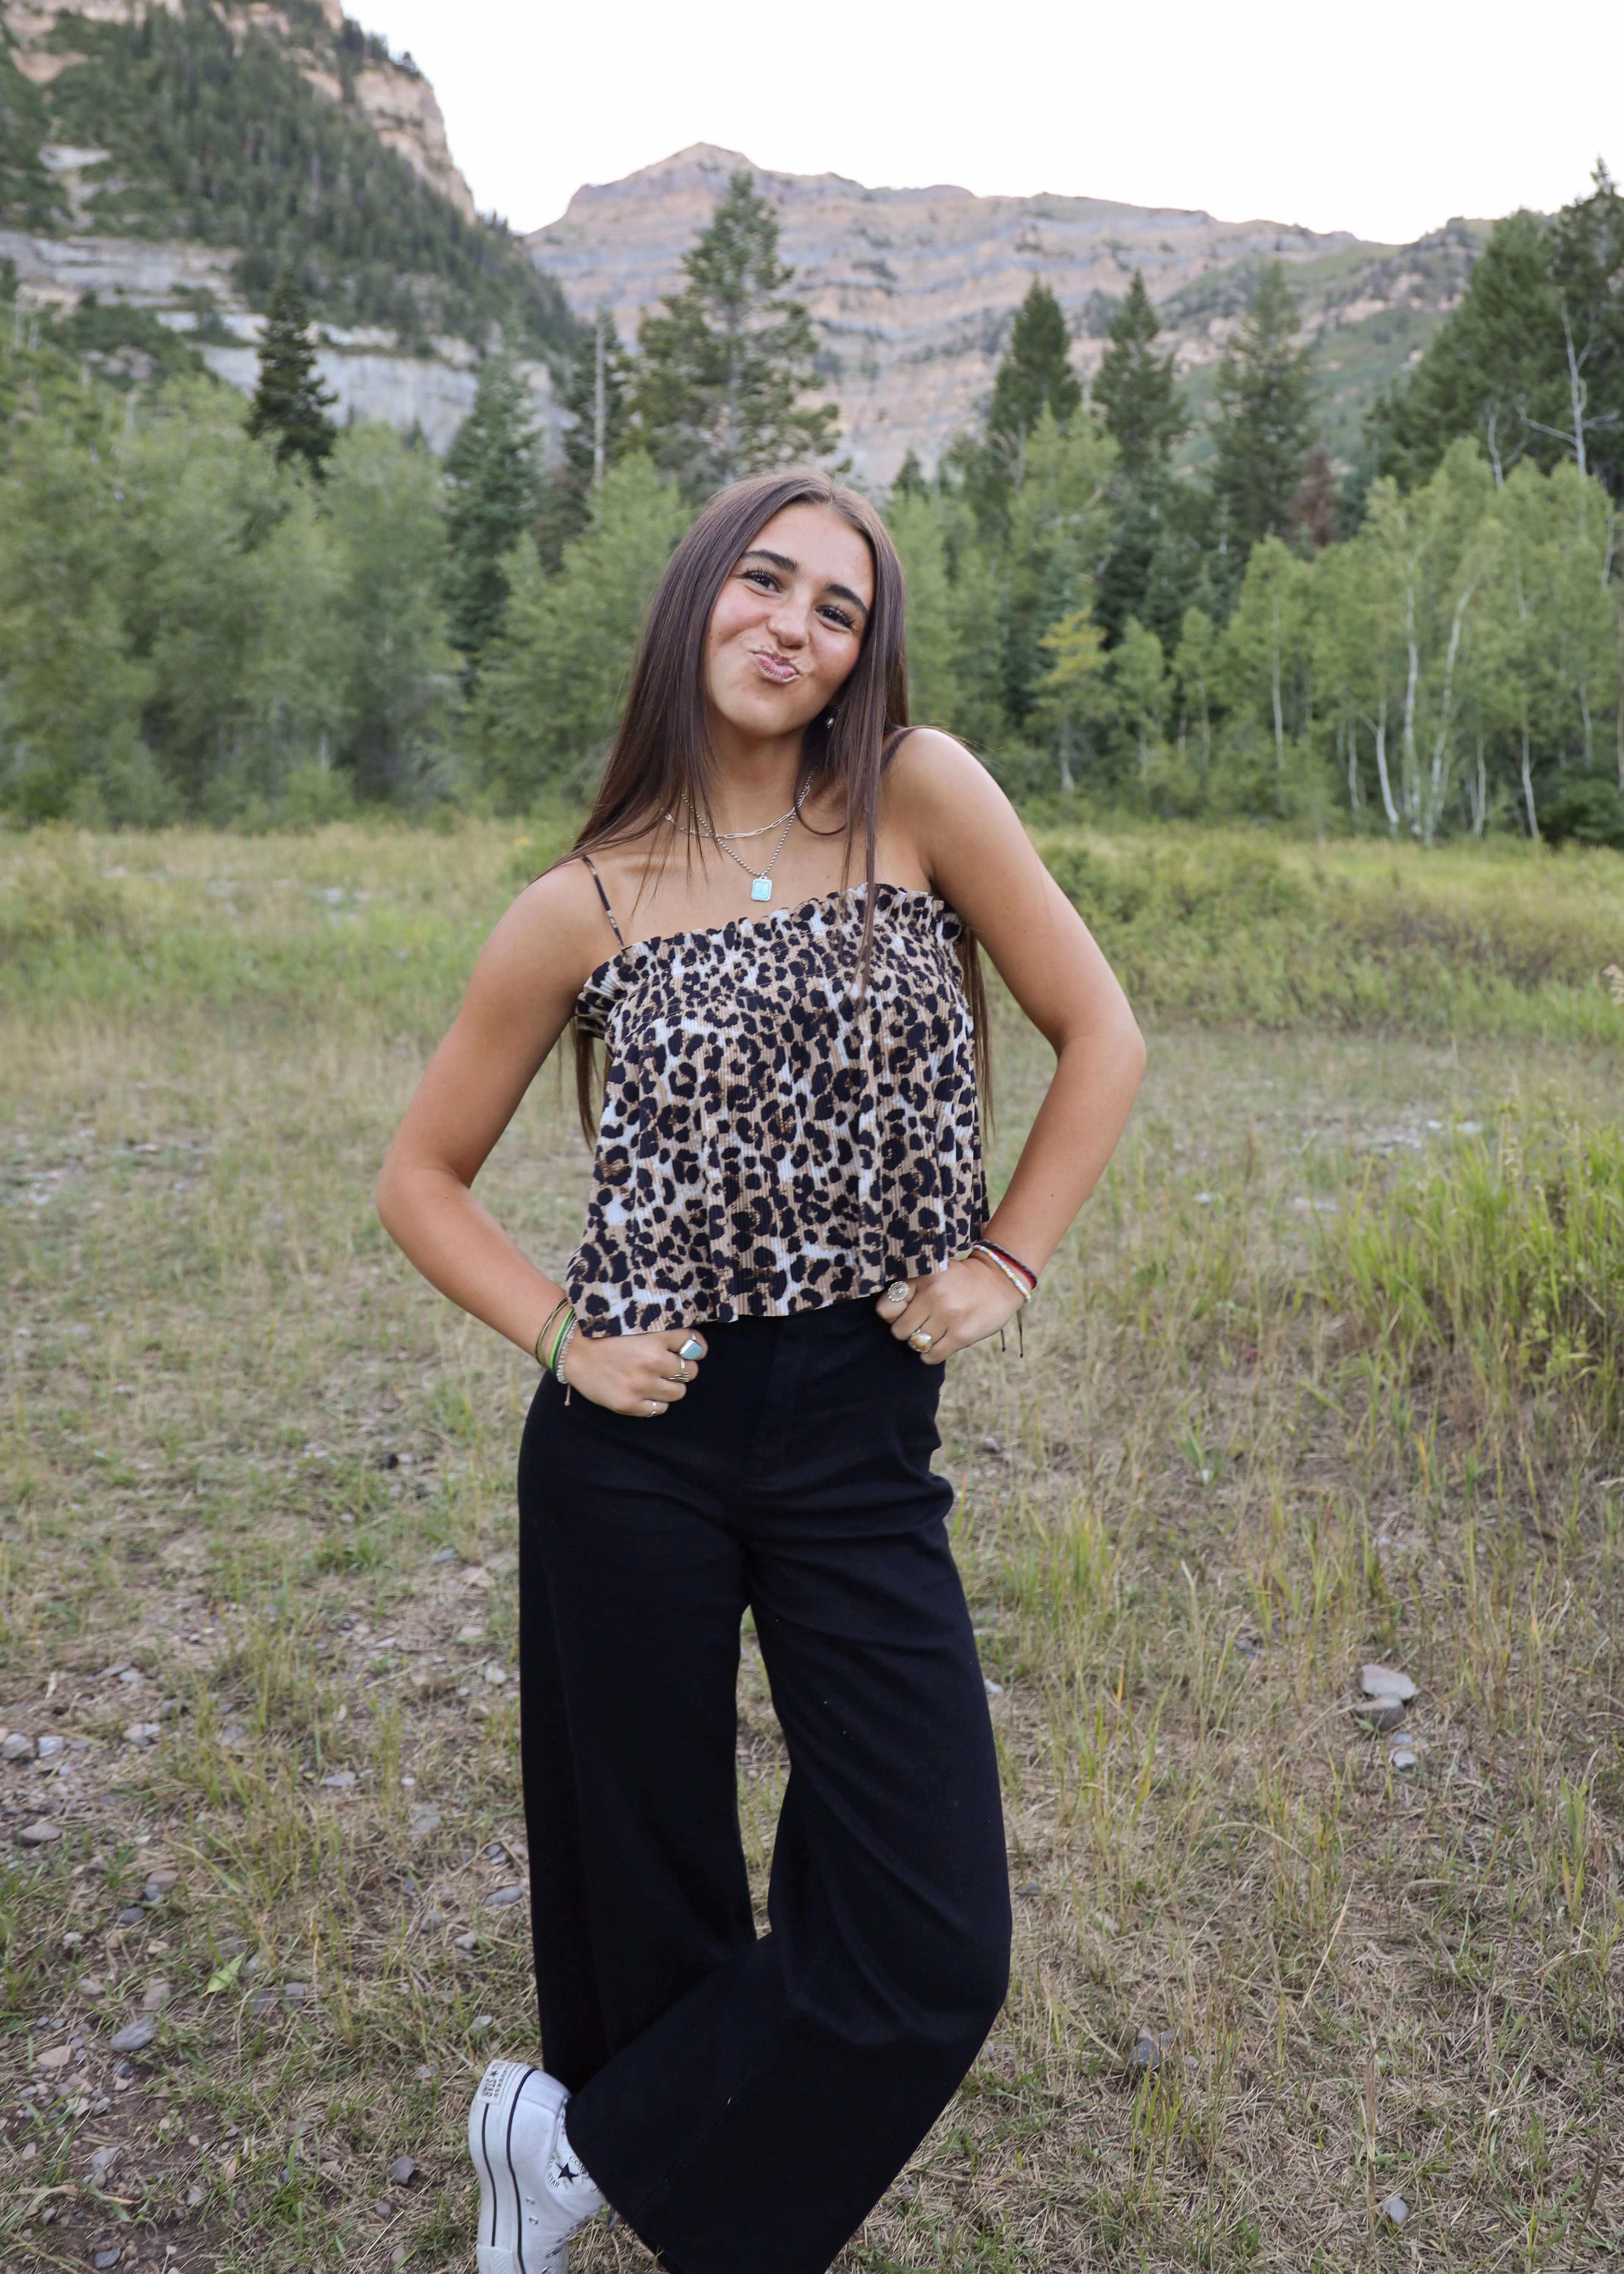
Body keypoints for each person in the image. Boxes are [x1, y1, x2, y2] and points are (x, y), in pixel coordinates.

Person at [375, 465, 1145, 2274]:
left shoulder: (921, 796)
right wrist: (566, 1331)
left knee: (932, 1926)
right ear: (699, 595)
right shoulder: (579, 903)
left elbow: (1101, 1029)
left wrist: (1006, 1255)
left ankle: (564, 2148)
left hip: (863, 1422)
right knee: (645, 1899)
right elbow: (420, 1177)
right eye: (766, 583)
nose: (793, 626)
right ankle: (642, 2194)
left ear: (863, 658)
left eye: (838, 610)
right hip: (634, 1439)